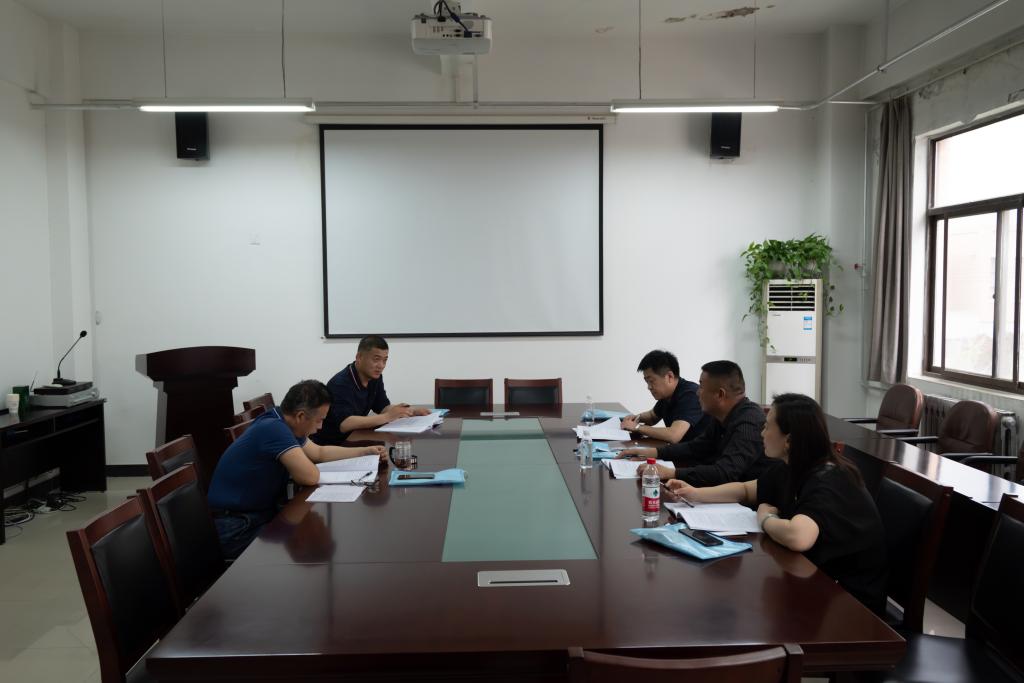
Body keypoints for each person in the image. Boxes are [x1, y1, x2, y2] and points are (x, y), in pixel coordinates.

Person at [666, 393, 888, 615]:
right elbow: (746, 490)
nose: (761, 433)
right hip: (818, 580)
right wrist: (695, 493)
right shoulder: (793, 465)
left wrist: (766, 518)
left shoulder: (829, 479)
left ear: (789, 441)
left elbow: (798, 536)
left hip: (851, 605)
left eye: (767, 427)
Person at [207, 379, 386, 560]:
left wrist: (365, 451)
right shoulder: (274, 429)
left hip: (255, 515)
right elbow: (310, 477)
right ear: (301, 416)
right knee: (278, 561)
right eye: (319, 420)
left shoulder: (282, 421)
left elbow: (319, 452)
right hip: (237, 527)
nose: (320, 427)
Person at [620, 360, 774, 484]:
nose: (697, 392)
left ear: (720, 394)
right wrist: (651, 453)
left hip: (749, 504)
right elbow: (695, 447)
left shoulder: (749, 421)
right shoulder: (721, 416)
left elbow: (725, 472)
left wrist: (670, 473)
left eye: (701, 386)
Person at [314, 335, 430, 446]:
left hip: (357, 436)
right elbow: (345, 424)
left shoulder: (375, 378)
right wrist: (387, 416)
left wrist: (410, 411)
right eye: (376, 359)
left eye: (385, 360)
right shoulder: (340, 384)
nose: (381, 366)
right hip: (332, 443)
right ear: (359, 357)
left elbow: (383, 407)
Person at [620, 349, 710, 444]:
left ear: (669, 376)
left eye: (651, 381)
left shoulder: (691, 394)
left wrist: (637, 427)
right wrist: (636, 417)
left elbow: (674, 435)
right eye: (647, 382)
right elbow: (652, 416)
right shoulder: (667, 395)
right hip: (681, 449)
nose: (649, 387)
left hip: (700, 452)